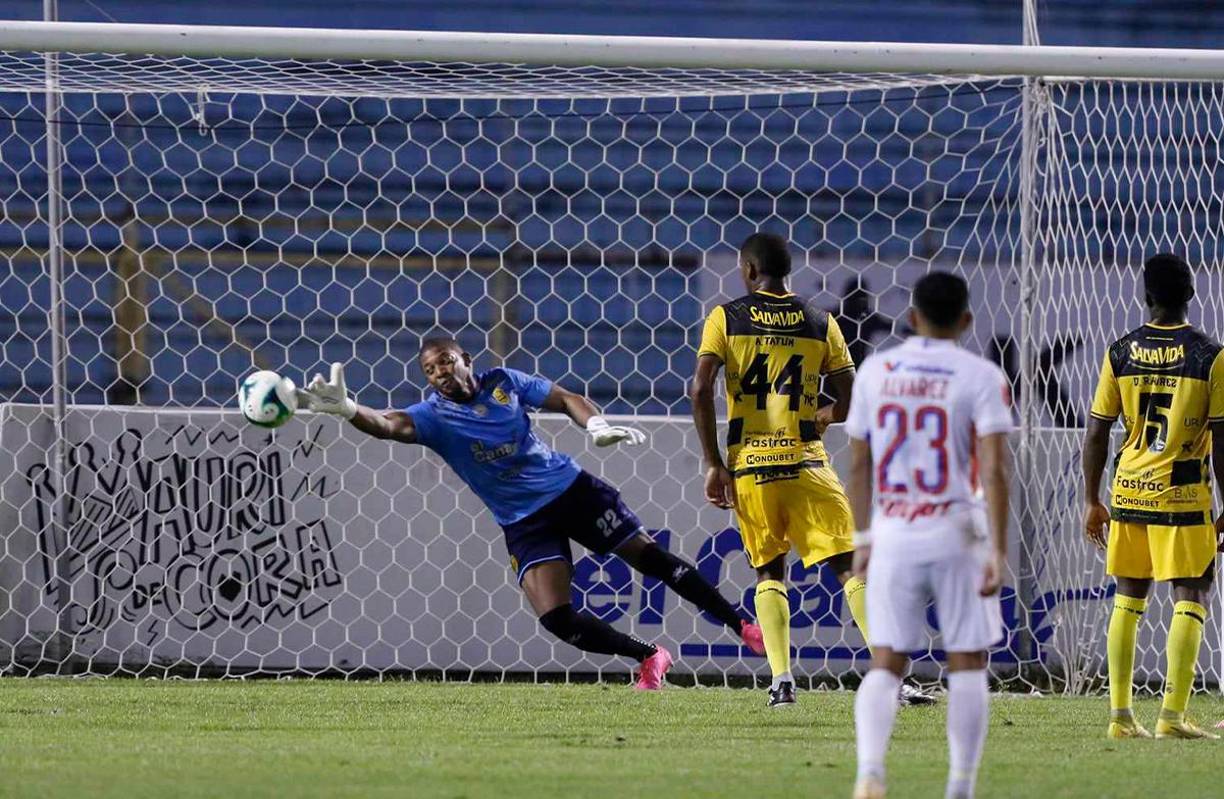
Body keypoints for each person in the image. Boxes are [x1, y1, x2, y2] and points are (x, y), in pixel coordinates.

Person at [295, 341, 765, 690]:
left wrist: (595, 424)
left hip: (573, 491)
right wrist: (351, 409)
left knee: (653, 560)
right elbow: (388, 425)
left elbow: (564, 399)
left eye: (446, 361)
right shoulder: (433, 417)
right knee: (557, 618)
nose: (439, 372)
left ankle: (744, 626)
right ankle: (649, 657)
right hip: (523, 521)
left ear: (465, 360)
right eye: (430, 369)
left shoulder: (505, 382)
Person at [691, 232, 924, 707]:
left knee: (768, 572)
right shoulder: (821, 321)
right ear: (786, 272)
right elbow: (852, 397)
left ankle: (782, 683)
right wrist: (823, 415)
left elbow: (699, 389)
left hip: (753, 466)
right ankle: (891, 681)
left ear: (749, 271)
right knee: (850, 571)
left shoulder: (726, 317)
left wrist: (714, 463)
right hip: (808, 463)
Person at [846, 271, 1011, 799]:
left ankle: (870, 772)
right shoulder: (981, 375)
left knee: (888, 657)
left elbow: (858, 462)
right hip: (957, 530)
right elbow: (993, 469)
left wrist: (863, 537)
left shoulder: (877, 369)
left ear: (911, 317)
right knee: (966, 660)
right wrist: (999, 549)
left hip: (893, 530)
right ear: (966, 320)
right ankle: (959, 787)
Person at [1082, 253, 1224, 740]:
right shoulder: (1210, 355)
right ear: (1191, 293)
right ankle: (1171, 717)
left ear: (1145, 295)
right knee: (1192, 591)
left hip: (1128, 490)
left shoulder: (1119, 351)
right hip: (1182, 494)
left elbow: (1097, 432)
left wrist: (1091, 499)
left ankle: (1120, 718)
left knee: (1128, 596)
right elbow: (1223, 440)